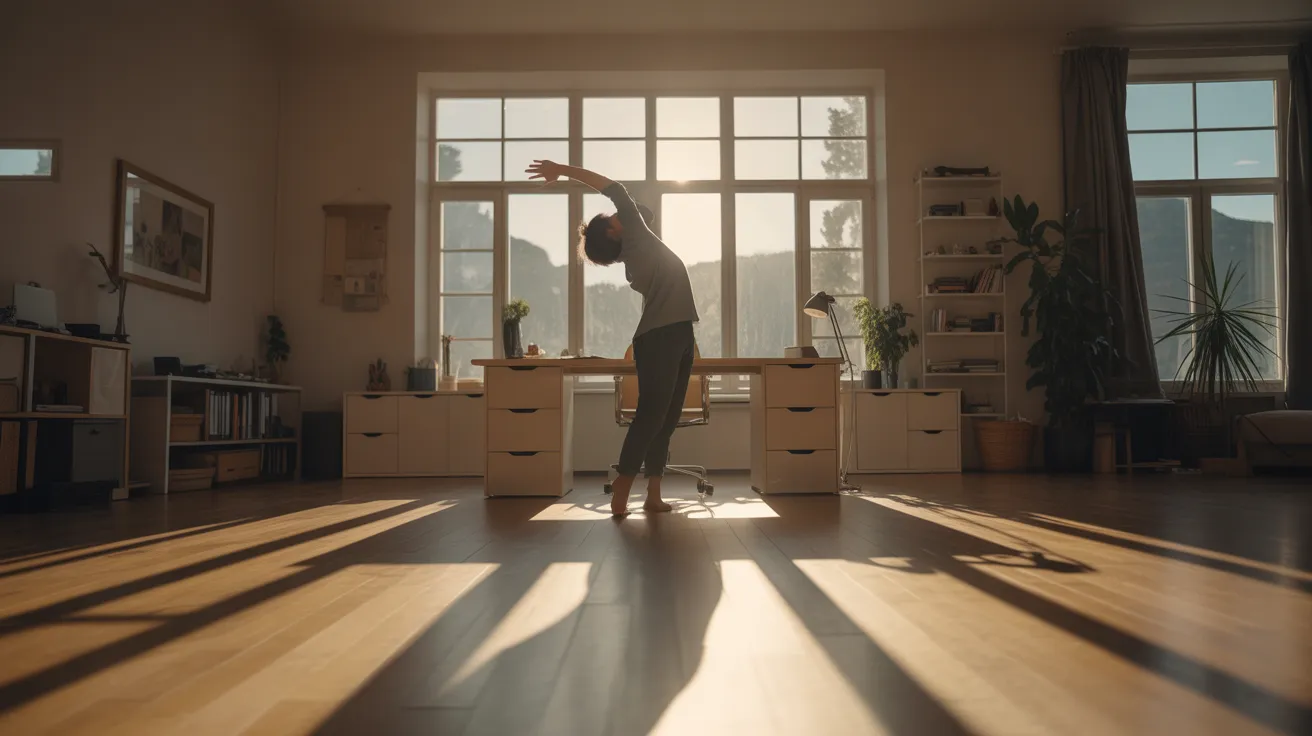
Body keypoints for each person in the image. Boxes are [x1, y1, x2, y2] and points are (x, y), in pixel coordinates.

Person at [526, 160, 698, 517]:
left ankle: (653, 493)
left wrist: (628, 214)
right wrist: (561, 168)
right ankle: (622, 486)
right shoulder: (635, 240)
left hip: (678, 332)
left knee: (666, 420)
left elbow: (642, 209)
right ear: (615, 233)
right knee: (651, 417)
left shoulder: (637, 247)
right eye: (614, 218)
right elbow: (616, 189)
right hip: (661, 336)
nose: (621, 213)